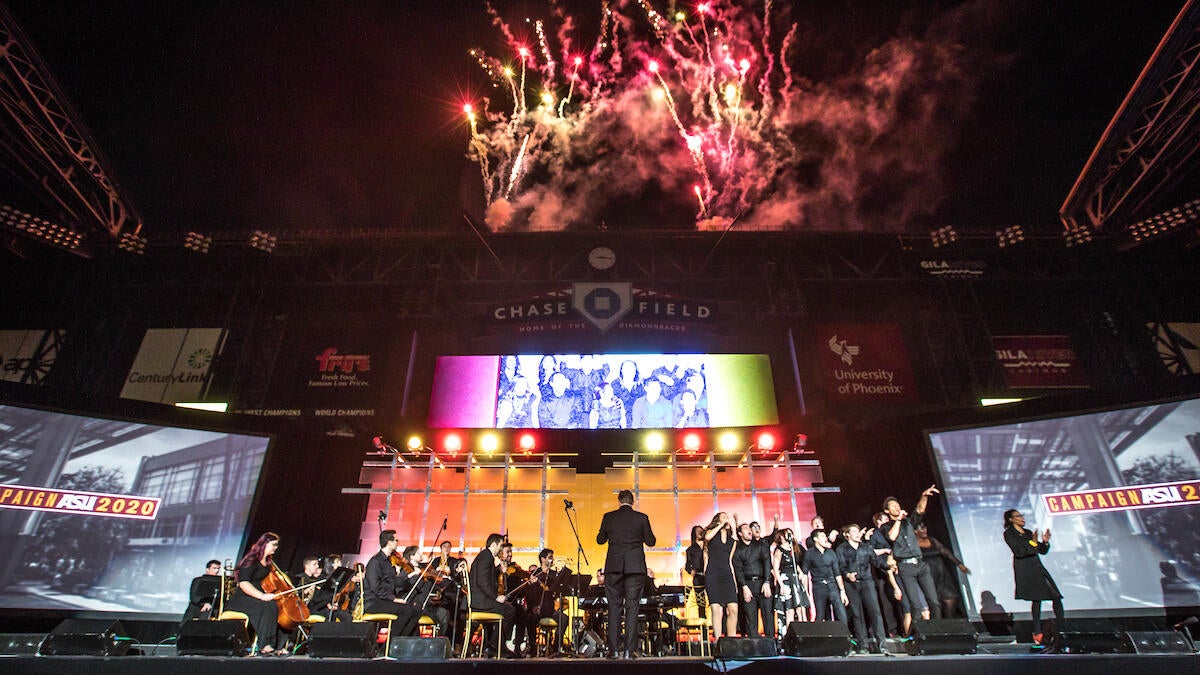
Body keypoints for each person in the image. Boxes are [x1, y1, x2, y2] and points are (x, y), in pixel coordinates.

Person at [596, 489, 656, 659]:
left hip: (614, 567)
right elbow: (651, 541)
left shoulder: (609, 517)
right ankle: (629, 651)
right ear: (632, 501)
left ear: (619, 501)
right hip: (635, 568)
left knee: (613, 607)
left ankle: (614, 650)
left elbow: (600, 540)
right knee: (632, 607)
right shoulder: (641, 518)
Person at [882, 486, 943, 621]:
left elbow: (920, 510)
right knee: (915, 606)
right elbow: (892, 537)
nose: (897, 507)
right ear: (887, 511)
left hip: (920, 564)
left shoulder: (908, 522)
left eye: (898, 505)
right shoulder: (886, 527)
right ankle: (916, 637)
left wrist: (924, 495)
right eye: (893, 506)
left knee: (934, 602)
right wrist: (898, 520)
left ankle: (938, 631)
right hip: (905, 567)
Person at [1002, 509, 1063, 634]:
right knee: (1037, 599)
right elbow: (1019, 552)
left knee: (1056, 596)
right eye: (1018, 516)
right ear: (1011, 519)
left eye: (1022, 515)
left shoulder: (1028, 533)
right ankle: (1037, 631)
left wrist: (1045, 542)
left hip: (1038, 568)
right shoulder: (1009, 534)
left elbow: (1041, 550)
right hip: (1026, 569)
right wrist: (1033, 543)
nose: (1022, 518)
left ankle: (1063, 627)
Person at [225, 532, 283, 654]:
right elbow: (244, 583)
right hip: (242, 599)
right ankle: (265, 645)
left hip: (255, 597)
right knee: (268, 606)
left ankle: (275, 645)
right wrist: (262, 596)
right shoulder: (251, 560)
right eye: (274, 544)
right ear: (265, 544)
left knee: (275, 606)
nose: (276, 547)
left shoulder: (268, 563)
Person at [837, 524, 886, 653]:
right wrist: (847, 574)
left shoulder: (866, 547)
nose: (857, 534)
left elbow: (876, 561)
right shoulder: (842, 549)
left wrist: (888, 565)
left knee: (875, 612)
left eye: (858, 531)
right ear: (847, 535)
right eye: (854, 531)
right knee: (857, 615)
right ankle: (862, 645)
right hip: (851, 584)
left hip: (867, 582)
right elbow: (840, 566)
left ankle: (882, 644)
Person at [362, 530, 421, 637]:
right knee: (406, 610)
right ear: (389, 542)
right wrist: (393, 599)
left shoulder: (389, 562)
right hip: (374, 602)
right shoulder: (375, 561)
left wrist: (409, 576)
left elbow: (393, 581)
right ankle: (390, 644)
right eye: (396, 540)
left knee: (416, 611)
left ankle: (406, 644)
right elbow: (375, 588)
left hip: (385, 600)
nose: (397, 543)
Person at [469, 533, 520, 657]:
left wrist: (498, 570)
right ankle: (495, 645)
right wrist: (496, 597)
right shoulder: (487, 557)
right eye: (500, 545)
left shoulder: (485, 557)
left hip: (482, 600)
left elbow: (487, 577)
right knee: (510, 611)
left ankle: (496, 645)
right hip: (481, 602)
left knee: (508, 609)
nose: (501, 549)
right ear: (493, 544)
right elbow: (483, 582)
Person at [915, 523, 971, 618]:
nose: (925, 530)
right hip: (928, 575)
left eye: (925, 527)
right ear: (915, 531)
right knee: (934, 602)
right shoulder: (913, 544)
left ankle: (949, 623)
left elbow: (946, 552)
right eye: (921, 528)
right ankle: (938, 625)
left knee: (951, 599)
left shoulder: (932, 540)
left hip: (942, 574)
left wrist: (959, 564)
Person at [868, 511, 908, 636]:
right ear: (878, 522)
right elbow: (870, 551)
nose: (887, 521)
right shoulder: (875, 534)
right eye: (884, 519)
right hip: (882, 570)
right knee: (887, 601)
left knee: (902, 598)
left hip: (897, 567)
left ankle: (905, 628)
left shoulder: (893, 531)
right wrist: (885, 550)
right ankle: (892, 629)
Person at [732, 523, 773, 638]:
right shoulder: (738, 549)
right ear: (740, 533)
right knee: (750, 616)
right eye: (745, 528)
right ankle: (754, 644)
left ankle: (771, 643)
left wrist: (767, 582)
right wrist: (744, 587)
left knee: (767, 615)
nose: (749, 530)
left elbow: (767, 563)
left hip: (762, 582)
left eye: (749, 528)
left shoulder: (761, 545)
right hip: (748, 584)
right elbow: (738, 570)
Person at [703, 512, 738, 640]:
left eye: (727, 517)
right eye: (723, 517)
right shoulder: (711, 534)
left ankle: (731, 641)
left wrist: (734, 581)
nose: (726, 519)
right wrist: (720, 525)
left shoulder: (732, 541)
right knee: (716, 609)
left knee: (733, 609)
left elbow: (730, 561)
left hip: (726, 574)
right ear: (717, 521)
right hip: (713, 574)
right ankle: (718, 642)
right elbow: (707, 537)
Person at [802, 529, 848, 624]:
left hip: (832, 586)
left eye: (825, 536)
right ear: (815, 539)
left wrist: (842, 591)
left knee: (841, 613)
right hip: (819, 587)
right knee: (820, 614)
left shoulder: (831, 553)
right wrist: (806, 592)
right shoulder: (809, 554)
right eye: (822, 536)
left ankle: (845, 637)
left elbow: (837, 573)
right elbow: (805, 574)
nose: (825, 538)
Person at [771, 529, 809, 627]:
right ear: (782, 536)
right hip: (785, 580)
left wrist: (801, 573)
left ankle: (803, 632)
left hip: (795, 578)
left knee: (800, 608)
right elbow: (775, 569)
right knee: (789, 610)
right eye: (787, 533)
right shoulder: (779, 550)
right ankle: (789, 635)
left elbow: (795, 564)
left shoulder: (794, 548)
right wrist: (781, 585)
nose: (790, 535)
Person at [181, 559, 222, 625]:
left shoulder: (221, 582)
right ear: (207, 569)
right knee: (198, 609)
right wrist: (205, 603)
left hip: (213, 607)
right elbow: (194, 597)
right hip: (198, 606)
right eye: (214, 568)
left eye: (218, 569)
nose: (216, 571)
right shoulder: (198, 580)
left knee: (208, 611)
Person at [682, 525, 708, 618]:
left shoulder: (708, 545)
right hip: (698, 577)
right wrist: (691, 571)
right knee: (701, 602)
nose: (700, 532)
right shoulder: (691, 549)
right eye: (698, 531)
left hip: (709, 575)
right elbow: (687, 565)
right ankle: (703, 624)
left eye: (701, 530)